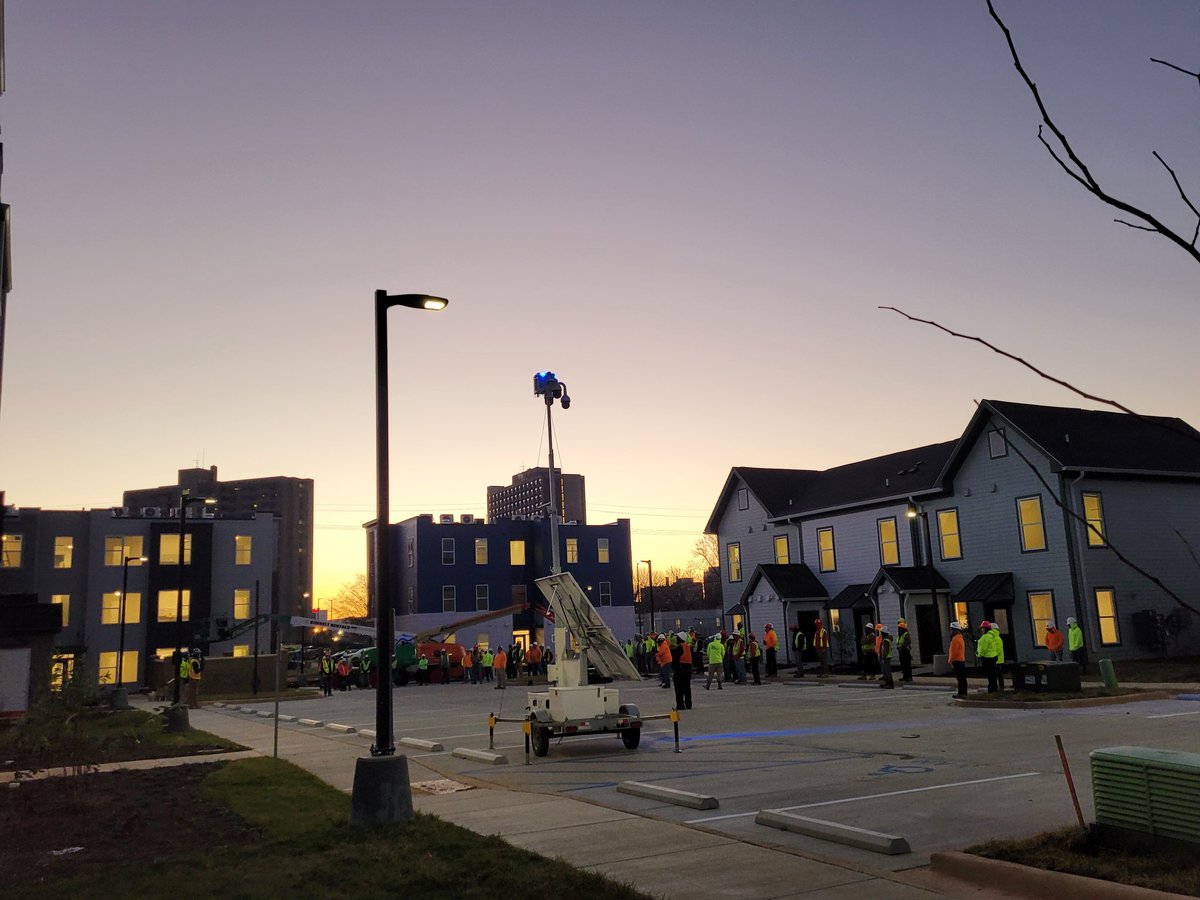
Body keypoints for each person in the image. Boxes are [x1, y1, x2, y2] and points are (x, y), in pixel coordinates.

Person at [976, 620, 1001, 693]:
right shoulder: (992, 636)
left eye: (982, 628)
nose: (982, 630)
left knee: (990, 675)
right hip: (993, 657)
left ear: (985, 629)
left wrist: (979, 655)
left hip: (987, 658)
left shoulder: (985, 637)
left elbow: (983, 649)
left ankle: (991, 690)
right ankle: (994, 689)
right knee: (993, 675)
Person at [672, 631, 693, 710]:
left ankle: (680, 705)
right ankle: (688, 704)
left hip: (680, 670)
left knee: (679, 689)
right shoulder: (687, 647)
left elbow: (675, 659)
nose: (676, 639)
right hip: (688, 670)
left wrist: (674, 669)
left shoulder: (679, 648)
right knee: (687, 688)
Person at [948, 621, 968, 698]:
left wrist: (950, 660)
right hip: (961, 660)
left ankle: (961, 693)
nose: (950, 631)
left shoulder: (955, 639)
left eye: (951, 629)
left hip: (957, 661)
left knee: (960, 678)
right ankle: (963, 692)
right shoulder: (960, 638)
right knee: (962, 678)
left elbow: (954, 652)